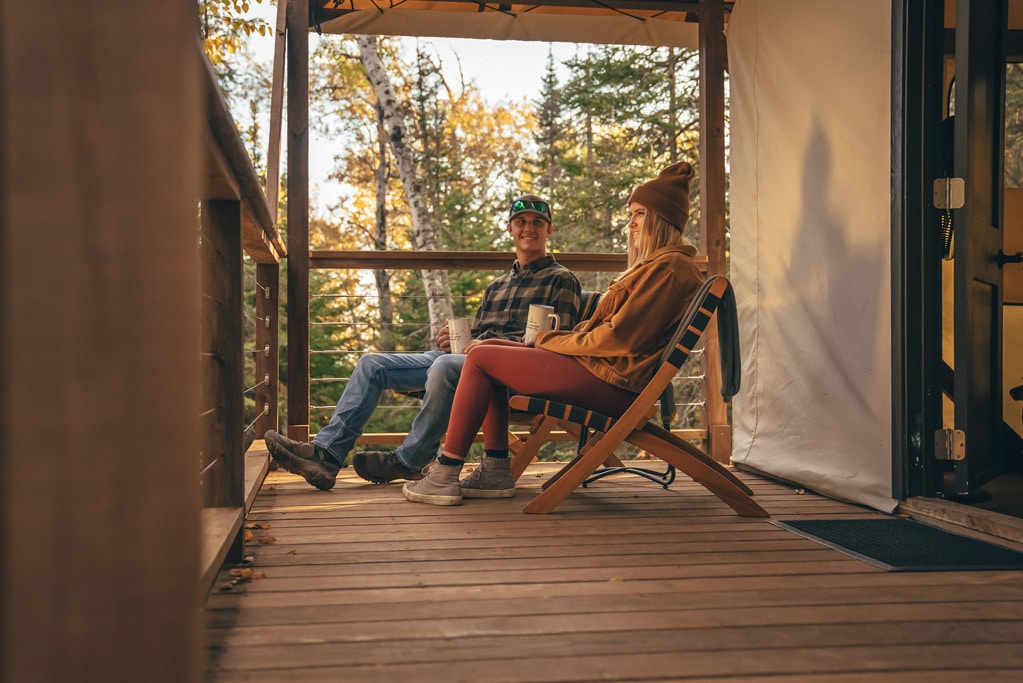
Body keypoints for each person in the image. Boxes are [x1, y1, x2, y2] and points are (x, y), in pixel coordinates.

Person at [402, 161, 704, 506]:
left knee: (483, 356)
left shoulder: (669, 269)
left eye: (638, 214)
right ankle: (496, 469)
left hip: (613, 383)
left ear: (660, 219)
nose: (631, 224)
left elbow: (619, 340)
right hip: (604, 373)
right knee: (485, 350)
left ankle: (444, 473)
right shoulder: (660, 266)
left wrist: (547, 339)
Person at [263, 195, 581, 490]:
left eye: (537, 223)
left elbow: (556, 343)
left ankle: (410, 460)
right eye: (521, 222)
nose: (529, 229)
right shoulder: (497, 285)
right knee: (372, 364)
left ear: (549, 230)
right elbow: (479, 337)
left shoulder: (561, 279)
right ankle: (327, 455)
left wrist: (483, 347)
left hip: (511, 375)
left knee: (445, 365)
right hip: (468, 362)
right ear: (510, 228)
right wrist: (455, 342)